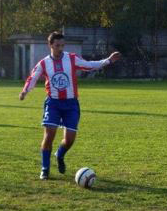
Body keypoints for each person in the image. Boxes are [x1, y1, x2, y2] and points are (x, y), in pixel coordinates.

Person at [20, 31, 121, 180]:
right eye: (57, 45)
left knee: (69, 140)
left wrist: (108, 60)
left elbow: (89, 65)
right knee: (49, 135)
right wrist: (25, 91)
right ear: (50, 45)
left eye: (62, 45)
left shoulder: (71, 58)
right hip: (53, 103)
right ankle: (45, 169)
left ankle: (60, 155)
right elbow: (33, 77)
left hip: (71, 104)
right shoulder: (44, 63)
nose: (60, 48)